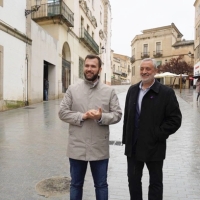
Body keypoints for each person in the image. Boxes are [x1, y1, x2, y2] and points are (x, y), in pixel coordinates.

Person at [58, 54, 122, 200]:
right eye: (87, 66)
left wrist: (101, 117)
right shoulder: (72, 89)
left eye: (93, 66)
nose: (89, 69)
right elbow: (62, 113)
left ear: (99, 69)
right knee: (75, 185)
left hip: (99, 147)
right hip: (77, 146)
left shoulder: (109, 91)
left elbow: (117, 114)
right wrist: (82, 116)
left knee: (101, 185)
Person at [122, 58, 182, 200]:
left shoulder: (166, 93)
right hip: (134, 147)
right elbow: (127, 117)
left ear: (155, 71)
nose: (144, 72)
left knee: (155, 183)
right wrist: (126, 139)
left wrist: (157, 134)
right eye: (142, 69)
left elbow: (175, 119)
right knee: (133, 181)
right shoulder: (132, 90)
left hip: (154, 146)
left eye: (148, 69)